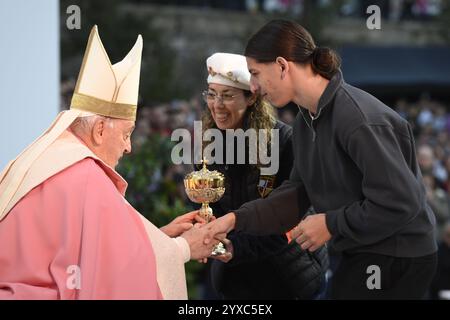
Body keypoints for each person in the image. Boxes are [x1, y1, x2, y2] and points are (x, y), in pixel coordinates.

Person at [203, 19, 438, 299]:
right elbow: (296, 194)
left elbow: (401, 202)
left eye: (255, 73)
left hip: (396, 257)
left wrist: (330, 223)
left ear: (282, 65)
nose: (252, 86)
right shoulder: (307, 120)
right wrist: (233, 220)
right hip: (361, 251)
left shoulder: (357, 119)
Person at [0, 26, 217, 300]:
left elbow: (90, 256)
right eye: (127, 134)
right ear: (100, 129)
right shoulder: (85, 176)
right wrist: (183, 248)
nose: (129, 146)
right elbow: (109, 279)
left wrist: (156, 237)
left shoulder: (45, 159)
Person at [199, 52, 312, 299]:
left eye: (227, 95)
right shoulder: (208, 144)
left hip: (285, 279)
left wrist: (236, 247)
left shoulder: (285, 142)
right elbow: (205, 205)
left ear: (251, 98)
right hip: (231, 280)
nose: (216, 104)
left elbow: (293, 219)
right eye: (212, 94)